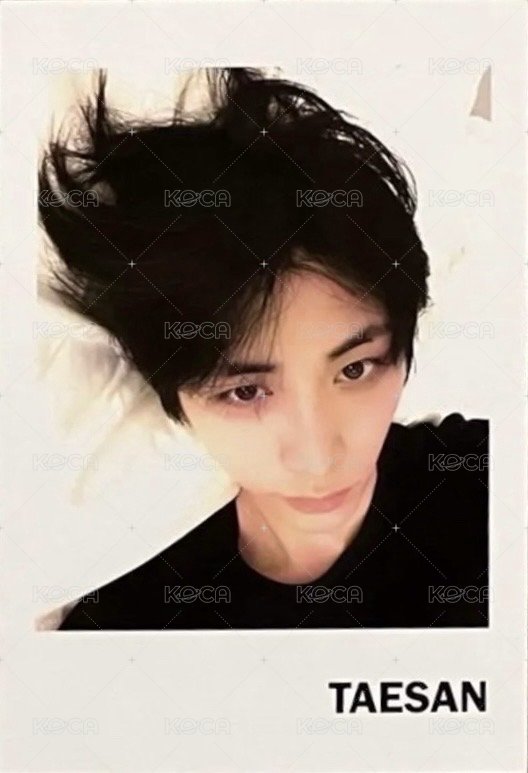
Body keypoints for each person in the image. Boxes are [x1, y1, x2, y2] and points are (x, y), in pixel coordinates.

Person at [38, 67, 488, 630]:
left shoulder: (486, 487)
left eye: (355, 369)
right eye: (245, 391)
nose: (318, 458)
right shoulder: (129, 621)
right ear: (172, 393)